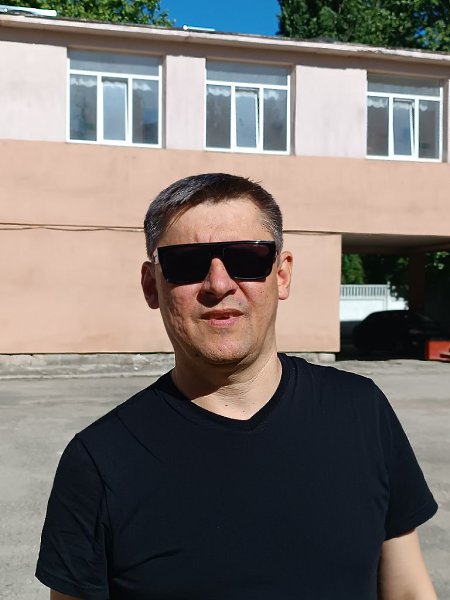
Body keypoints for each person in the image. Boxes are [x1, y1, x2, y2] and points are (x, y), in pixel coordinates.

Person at [36, 173, 438, 600]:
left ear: (282, 275)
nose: (218, 284)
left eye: (247, 258)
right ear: (152, 285)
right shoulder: (99, 461)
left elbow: (409, 591)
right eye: (186, 263)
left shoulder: (362, 411)